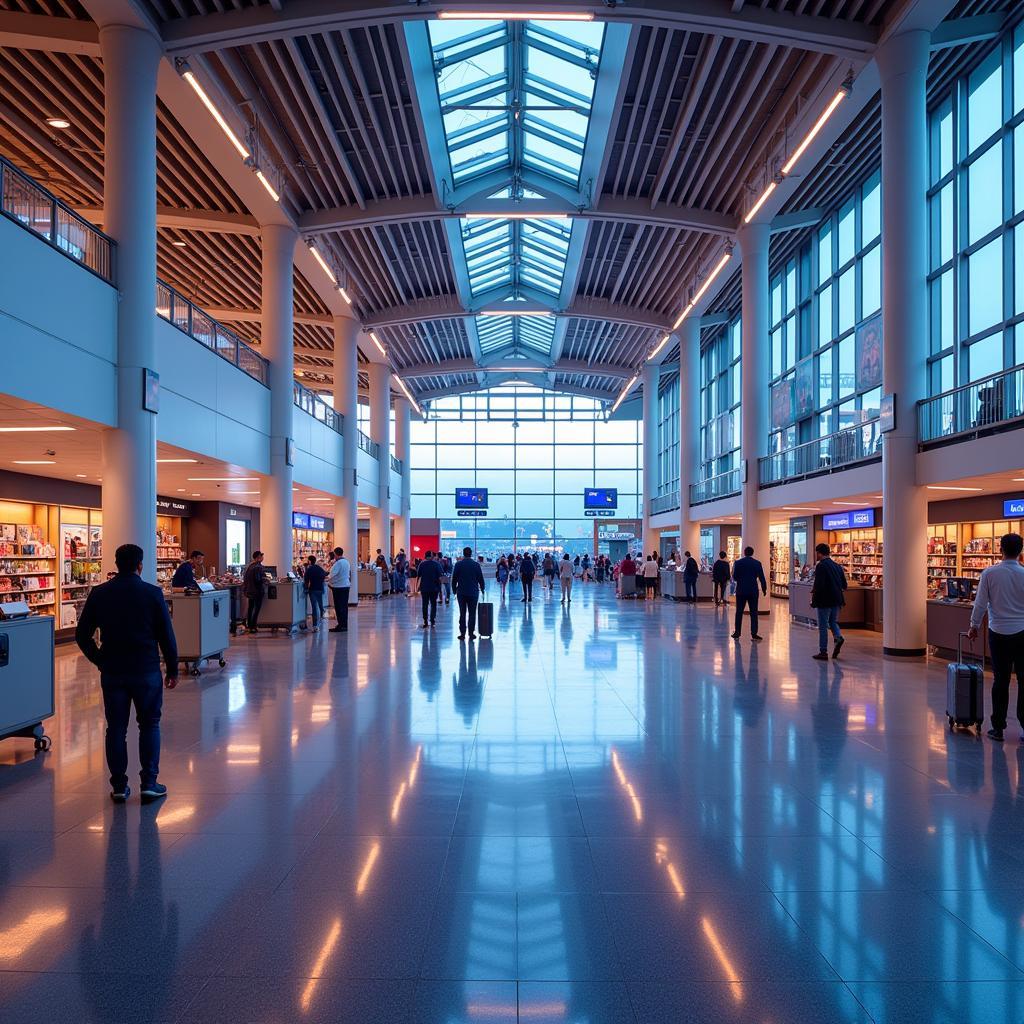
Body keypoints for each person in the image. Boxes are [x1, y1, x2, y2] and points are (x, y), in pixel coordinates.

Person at [75, 543, 178, 803]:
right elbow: (167, 636)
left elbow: (82, 635)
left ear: (116, 563)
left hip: (114, 670)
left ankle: (119, 786)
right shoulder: (153, 594)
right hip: (146, 669)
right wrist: (173, 668)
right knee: (150, 725)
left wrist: (99, 659)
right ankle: (149, 783)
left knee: (116, 728)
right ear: (140, 565)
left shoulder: (100, 593)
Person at [968, 532, 1024, 742]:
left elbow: (981, 603)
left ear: (1001, 549)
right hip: (1022, 632)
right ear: (1021, 551)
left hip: (998, 631)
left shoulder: (990, 573)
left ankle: (998, 727)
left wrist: (974, 626)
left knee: (1001, 680)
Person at [810, 542, 847, 661]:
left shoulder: (821, 566)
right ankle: (838, 637)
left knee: (823, 626)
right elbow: (844, 585)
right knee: (833, 622)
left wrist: (814, 600)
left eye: (816, 553)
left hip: (824, 600)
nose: (816, 555)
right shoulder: (837, 566)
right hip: (837, 600)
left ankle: (823, 651)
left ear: (819, 553)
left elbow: (819, 585)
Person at [731, 546, 767, 641]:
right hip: (753, 590)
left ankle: (737, 632)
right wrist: (764, 588)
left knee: (739, 611)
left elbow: (734, 576)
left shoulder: (738, 563)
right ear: (752, 553)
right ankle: (754, 633)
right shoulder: (757, 563)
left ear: (744, 552)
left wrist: (741, 580)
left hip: (741, 590)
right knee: (754, 612)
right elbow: (762, 577)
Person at [452, 545, 486, 640]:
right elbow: (480, 578)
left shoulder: (458, 564)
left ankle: (462, 633)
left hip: (461, 592)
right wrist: (483, 589)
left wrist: (454, 590)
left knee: (462, 613)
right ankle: (471, 633)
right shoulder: (476, 565)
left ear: (463, 554)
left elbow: (454, 579)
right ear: (471, 554)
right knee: (472, 613)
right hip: (473, 592)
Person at [243, 550, 268, 633]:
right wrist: (265, 579)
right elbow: (258, 580)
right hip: (257, 591)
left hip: (250, 591)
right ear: (258, 557)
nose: (262, 558)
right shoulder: (258, 567)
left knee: (250, 608)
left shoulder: (249, 566)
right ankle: (253, 626)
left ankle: (249, 625)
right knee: (256, 609)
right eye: (261, 556)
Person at [416, 550, 443, 629]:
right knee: (433, 604)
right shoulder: (436, 564)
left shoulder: (422, 564)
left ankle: (425, 621)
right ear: (431, 556)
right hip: (434, 588)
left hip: (424, 588)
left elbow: (419, 575)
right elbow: (440, 575)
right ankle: (432, 620)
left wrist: (418, 587)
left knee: (425, 604)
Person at [327, 546, 351, 632]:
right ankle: (344, 624)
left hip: (338, 587)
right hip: (346, 586)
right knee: (344, 606)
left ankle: (341, 625)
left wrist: (326, 579)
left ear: (335, 554)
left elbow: (331, 575)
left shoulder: (338, 563)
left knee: (339, 607)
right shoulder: (346, 562)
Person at [303, 554, 327, 629]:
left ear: (309, 561)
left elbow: (306, 580)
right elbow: (324, 575)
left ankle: (315, 625)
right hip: (320, 588)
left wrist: (306, 588)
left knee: (314, 607)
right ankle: (322, 615)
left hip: (312, 589)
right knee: (320, 603)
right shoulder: (319, 568)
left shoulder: (309, 569)